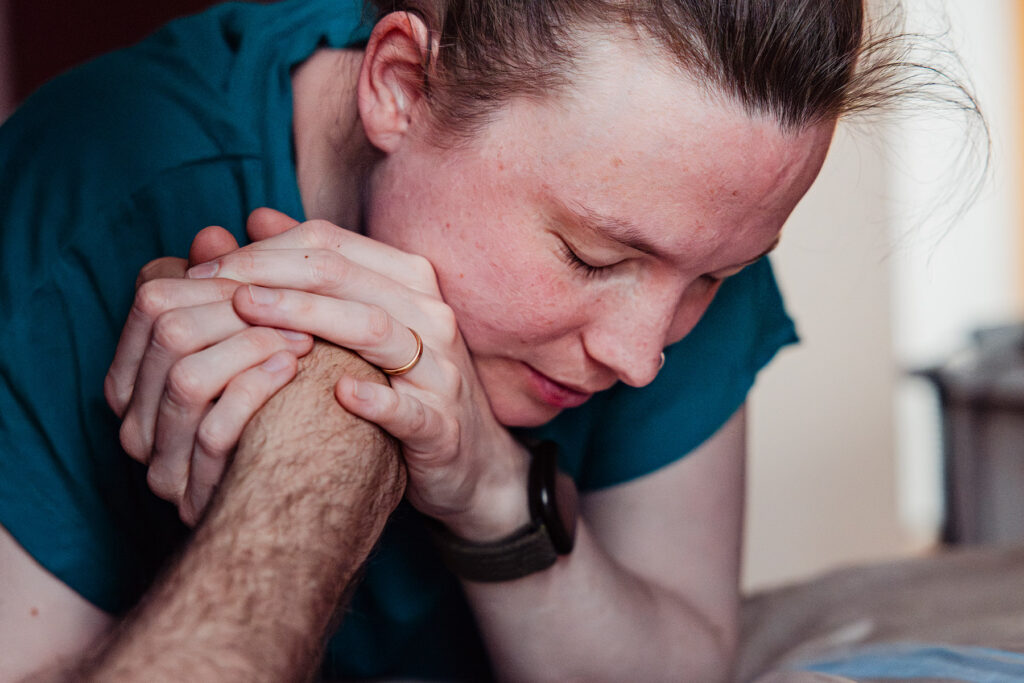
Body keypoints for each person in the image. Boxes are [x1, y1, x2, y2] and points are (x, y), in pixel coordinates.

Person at [0, 0, 979, 681]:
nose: (642, 355)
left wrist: (485, 484)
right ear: (400, 86)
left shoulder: (692, 216)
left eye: (716, 278)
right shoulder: (93, 196)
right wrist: (314, 448)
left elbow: (678, 658)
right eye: (593, 257)